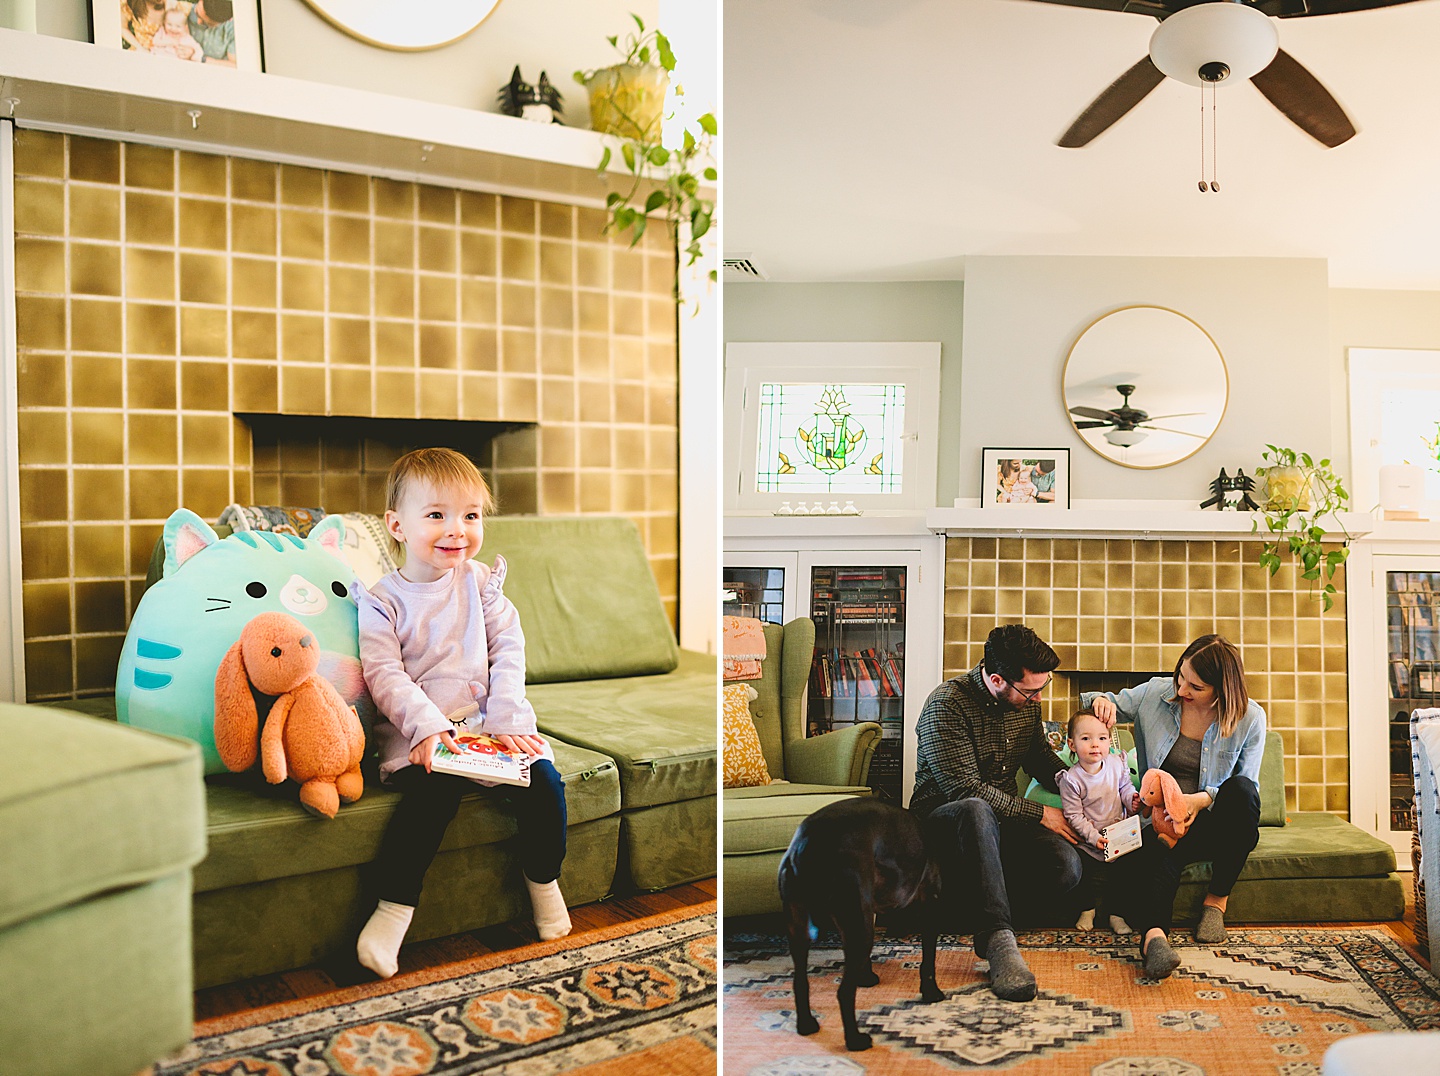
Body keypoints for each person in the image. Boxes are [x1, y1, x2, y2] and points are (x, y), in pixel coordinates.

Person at [352, 448, 570, 980]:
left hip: (492, 725)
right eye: (437, 515)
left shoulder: (482, 585)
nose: (457, 530)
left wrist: (509, 718)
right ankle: (393, 910)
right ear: (396, 526)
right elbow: (385, 675)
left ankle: (544, 883)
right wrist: (427, 728)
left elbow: (508, 651)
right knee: (431, 797)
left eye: (471, 515)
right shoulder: (382, 602)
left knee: (546, 784)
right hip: (424, 733)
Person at [911, 624, 1087, 1001]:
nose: (1039, 698)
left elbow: (1040, 758)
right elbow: (964, 790)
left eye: (1045, 686)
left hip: (1004, 824)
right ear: (996, 680)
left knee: (1066, 866)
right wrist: (1040, 813)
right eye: (1032, 690)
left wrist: (1086, 787)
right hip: (945, 828)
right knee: (976, 809)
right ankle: (998, 940)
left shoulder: (1025, 707)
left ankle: (980, 914)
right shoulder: (946, 704)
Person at [1084, 634, 1265, 980]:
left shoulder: (1250, 719)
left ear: (1222, 690)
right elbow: (1097, 702)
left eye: (1195, 686)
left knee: (1242, 793)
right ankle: (1154, 941)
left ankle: (1215, 902)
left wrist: (1197, 801)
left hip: (1213, 820)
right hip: (1162, 821)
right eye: (1180, 676)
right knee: (1161, 856)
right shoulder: (1156, 693)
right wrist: (1100, 703)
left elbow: (1247, 786)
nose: (1181, 690)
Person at [1058, 709, 1140, 934]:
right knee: (1086, 873)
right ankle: (1087, 909)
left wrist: (1130, 800)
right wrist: (1093, 837)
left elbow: (1125, 786)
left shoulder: (1116, 763)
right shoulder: (1072, 779)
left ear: (1109, 740)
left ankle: (1117, 914)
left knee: (1125, 875)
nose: (1095, 745)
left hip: (1119, 834)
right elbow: (1074, 815)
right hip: (1090, 837)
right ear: (1072, 745)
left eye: (1102, 738)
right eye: (1086, 739)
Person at [186, 0, 237, 66]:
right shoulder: (186, 5)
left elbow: (234, 65)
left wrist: (202, 59)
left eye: (207, 23)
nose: (198, 22)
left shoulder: (233, 28)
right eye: (197, 13)